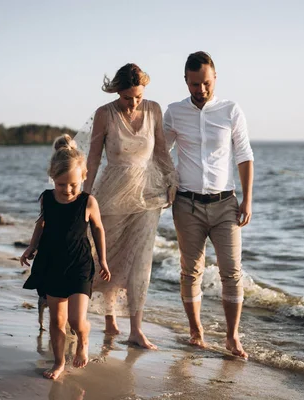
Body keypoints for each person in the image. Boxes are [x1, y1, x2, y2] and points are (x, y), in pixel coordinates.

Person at [164, 51, 254, 359]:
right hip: (186, 205)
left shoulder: (231, 110)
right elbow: (161, 152)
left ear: (214, 78)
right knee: (191, 272)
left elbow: (244, 155)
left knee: (232, 271)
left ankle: (232, 337)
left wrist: (247, 200)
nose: (200, 90)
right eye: (193, 85)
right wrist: (168, 182)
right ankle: (196, 332)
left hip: (225, 203)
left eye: (205, 83)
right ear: (185, 81)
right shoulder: (174, 112)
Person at [82, 63, 177, 349]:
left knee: (140, 262)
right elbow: (94, 158)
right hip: (110, 195)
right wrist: (85, 199)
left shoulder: (154, 109)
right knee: (107, 258)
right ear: (116, 91)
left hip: (147, 195)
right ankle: (108, 317)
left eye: (138, 96)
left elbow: (160, 150)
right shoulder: (104, 114)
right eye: (127, 97)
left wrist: (171, 179)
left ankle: (136, 329)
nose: (133, 102)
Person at [20, 134, 111, 379]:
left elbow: (99, 229)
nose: (68, 190)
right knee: (56, 320)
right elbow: (41, 223)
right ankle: (59, 362)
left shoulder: (88, 202)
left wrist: (102, 260)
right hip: (51, 264)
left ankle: (84, 337)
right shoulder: (47, 198)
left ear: (83, 177)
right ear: (53, 179)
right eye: (61, 185)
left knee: (76, 319)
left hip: (80, 265)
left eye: (73, 184)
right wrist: (31, 247)